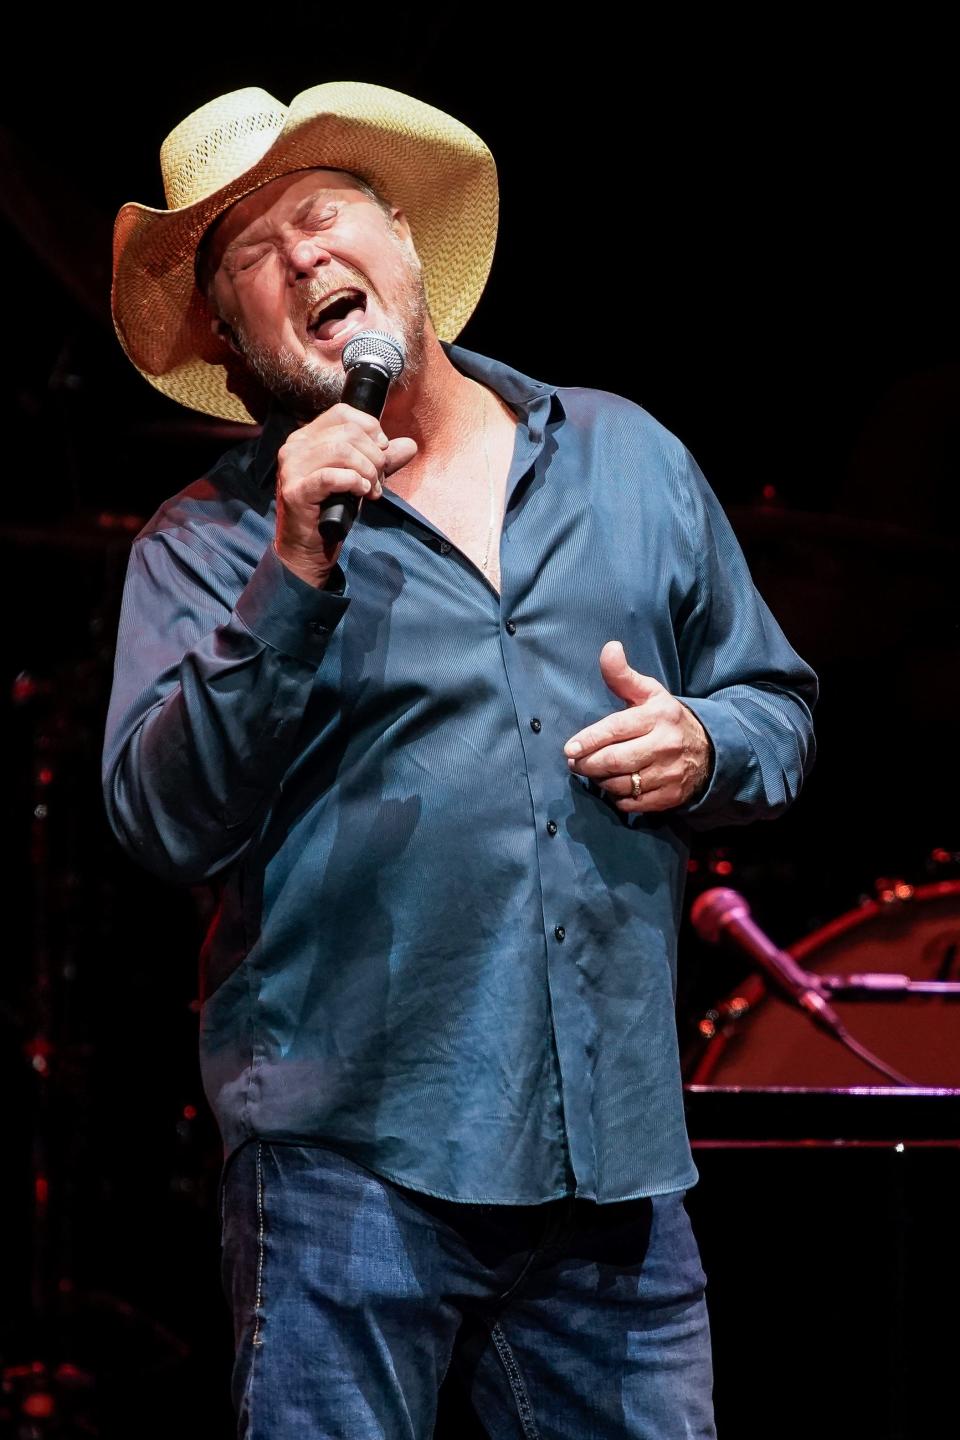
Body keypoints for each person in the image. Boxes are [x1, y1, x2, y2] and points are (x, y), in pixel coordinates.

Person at [103, 81, 816, 1439]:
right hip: (345, 1179)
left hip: (614, 1182)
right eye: (252, 258)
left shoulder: (627, 459)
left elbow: (778, 704)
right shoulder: (203, 547)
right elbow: (163, 820)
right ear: (234, 347)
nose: (303, 257)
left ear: (405, 244)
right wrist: (294, 572)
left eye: (322, 217)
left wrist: (709, 740)